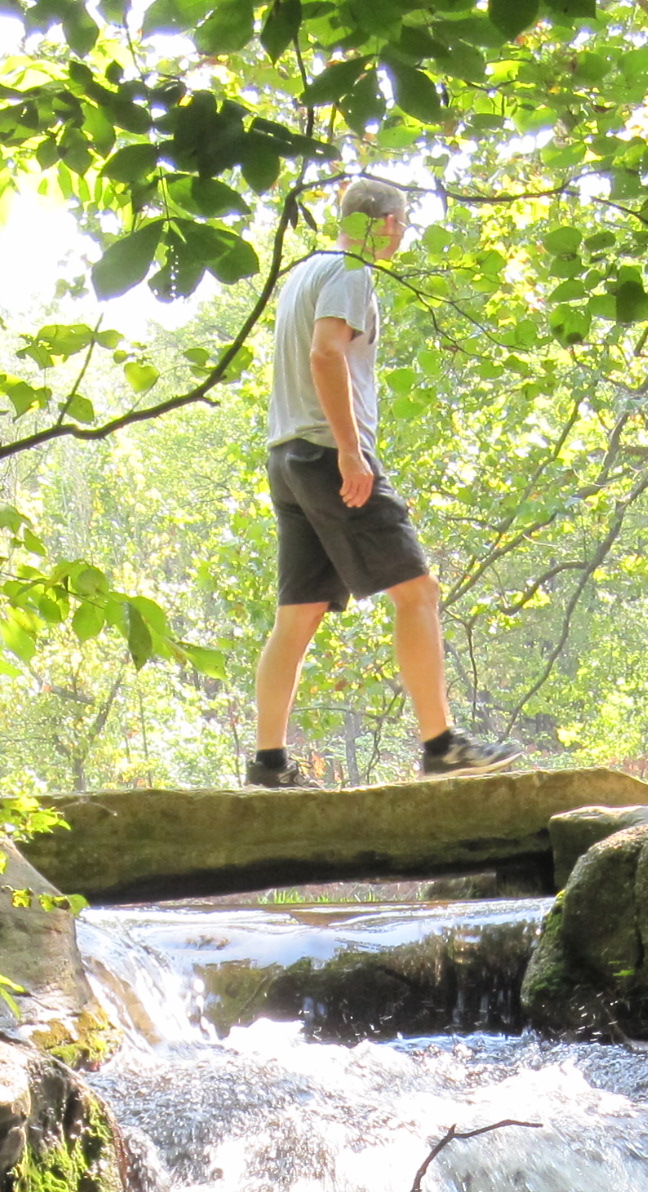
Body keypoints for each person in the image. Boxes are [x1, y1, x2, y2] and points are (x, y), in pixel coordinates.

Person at [246, 175, 518, 788]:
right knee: (418, 593)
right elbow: (325, 353)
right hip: (324, 454)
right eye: (404, 223)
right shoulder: (350, 271)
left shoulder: (305, 273)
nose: (403, 235)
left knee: (299, 613)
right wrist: (350, 452)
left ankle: (268, 765)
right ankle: (441, 746)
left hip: (286, 458)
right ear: (388, 223)